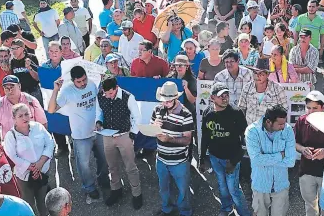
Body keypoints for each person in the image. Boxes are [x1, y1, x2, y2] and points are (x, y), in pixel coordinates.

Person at [48, 66, 109, 199]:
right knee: (84, 165)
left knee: (103, 159)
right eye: (79, 82)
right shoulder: (67, 91)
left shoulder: (92, 84)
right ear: (73, 81)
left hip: (98, 131)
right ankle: (89, 186)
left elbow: (100, 100)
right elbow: (51, 110)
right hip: (80, 135)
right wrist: (55, 90)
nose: (82, 84)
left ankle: (103, 180)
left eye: (84, 80)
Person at [199, 83, 251, 216]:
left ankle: (244, 213)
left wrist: (234, 161)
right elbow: (205, 136)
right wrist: (202, 158)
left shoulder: (236, 112)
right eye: (221, 96)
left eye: (226, 95)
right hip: (215, 157)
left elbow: (245, 140)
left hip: (231, 159)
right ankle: (227, 208)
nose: (225, 98)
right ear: (212, 98)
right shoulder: (207, 112)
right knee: (222, 186)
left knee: (234, 189)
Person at [96, 76, 143, 208]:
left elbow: (136, 116)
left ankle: (137, 193)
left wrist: (133, 133)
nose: (109, 96)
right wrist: (98, 122)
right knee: (112, 166)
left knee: (130, 166)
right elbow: (98, 111)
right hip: (107, 136)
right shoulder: (101, 96)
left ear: (116, 88)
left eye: (111, 93)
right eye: (106, 94)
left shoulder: (128, 97)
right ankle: (116, 190)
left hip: (124, 135)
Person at [3, 103, 54, 216]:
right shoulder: (10, 136)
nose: (25, 118)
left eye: (26, 114)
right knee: (28, 203)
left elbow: (50, 143)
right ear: (14, 119)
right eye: (20, 116)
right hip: (24, 176)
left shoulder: (38, 127)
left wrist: (40, 164)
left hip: (42, 172)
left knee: (43, 201)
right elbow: (12, 155)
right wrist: (31, 167)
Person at [151, 82, 193, 216]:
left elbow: (187, 140)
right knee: (164, 188)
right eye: (163, 100)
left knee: (183, 190)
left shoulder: (186, 114)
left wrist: (169, 139)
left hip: (179, 161)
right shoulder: (157, 109)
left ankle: (185, 212)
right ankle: (167, 208)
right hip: (161, 159)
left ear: (176, 98)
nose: (165, 103)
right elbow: (151, 129)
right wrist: (154, 127)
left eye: (169, 100)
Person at [245, 105, 296, 216]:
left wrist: (265, 159)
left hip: (281, 185)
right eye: (280, 124)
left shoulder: (287, 130)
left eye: (284, 123)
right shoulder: (252, 131)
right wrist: (280, 155)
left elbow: (291, 161)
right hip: (260, 185)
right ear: (268, 122)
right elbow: (257, 159)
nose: (284, 126)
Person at [294, 91, 324, 216]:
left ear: (323, 107)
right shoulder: (301, 121)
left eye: (315, 108)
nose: (311, 111)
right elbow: (294, 143)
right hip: (307, 170)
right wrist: (302, 149)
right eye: (308, 108)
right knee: (310, 204)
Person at [0, 75, 47, 144]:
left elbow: (43, 123)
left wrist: (44, 142)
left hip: (33, 142)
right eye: (6, 88)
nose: (9, 90)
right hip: (11, 145)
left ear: (19, 86)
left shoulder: (31, 101)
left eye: (12, 87)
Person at [238, 58, 289, 126]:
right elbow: (242, 109)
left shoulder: (278, 89)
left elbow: (284, 111)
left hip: (271, 131)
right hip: (251, 130)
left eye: (261, 73)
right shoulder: (247, 88)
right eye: (255, 73)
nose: (257, 76)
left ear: (267, 75)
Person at [9, 39, 42, 105]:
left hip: (34, 91)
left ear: (23, 48)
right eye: (12, 49)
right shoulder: (12, 62)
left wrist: (29, 68)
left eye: (16, 48)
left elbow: (38, 78)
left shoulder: (31, 58)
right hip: (21, 94)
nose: (13, 51)